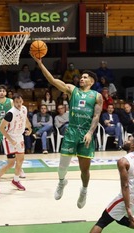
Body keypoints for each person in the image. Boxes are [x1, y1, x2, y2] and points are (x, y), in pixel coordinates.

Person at [31, 53, 103, 209]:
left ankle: (84, 191)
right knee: (62, 167)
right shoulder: (72, 90)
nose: (81, 79)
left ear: (91, 81)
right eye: (81, 77)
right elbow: (52, 80)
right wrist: (40, 64)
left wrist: (90, 132)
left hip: (86, 133)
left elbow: (96, 116)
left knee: (85, 170)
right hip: (71, 132)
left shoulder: (97, 96)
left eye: (84, 77)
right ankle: (62, 181)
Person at [90, 132, 134, 233]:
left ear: (133, 145)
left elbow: (125, 186)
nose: (125, 140)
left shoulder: (123, 161)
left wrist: (127, 207)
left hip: (128, 196)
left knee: (102, 221)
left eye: (128, 139)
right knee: (122, 219)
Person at [0, 93, 32, 193]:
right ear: (13, 103)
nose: (19, 104)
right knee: (11, 163)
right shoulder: (10, 113)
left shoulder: (24, 109)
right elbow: (1, 128)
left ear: (22, 101)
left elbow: (25, 119)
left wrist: (30, 129)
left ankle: (15, 180)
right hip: (10, 138)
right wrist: (10, 139)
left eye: (20, 101)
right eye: (16, 102)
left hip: (19, 137)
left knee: (20, 160)